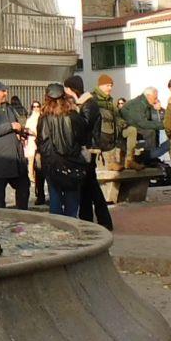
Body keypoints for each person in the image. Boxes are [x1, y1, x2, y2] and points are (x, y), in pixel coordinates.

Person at [65, 75, 112, 228]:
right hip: (84, 149)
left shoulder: (88, 104)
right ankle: (88, 220)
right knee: (86, 186)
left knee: (91, 186)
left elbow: (84, 124)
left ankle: (104, 221)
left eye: (67, 88)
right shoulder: (82, 103)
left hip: (89, 150)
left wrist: (72, 113)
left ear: (72, 89)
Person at [33, 83, 86, 217]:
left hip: (52, 162)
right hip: (72, 161)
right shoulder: (73, 115)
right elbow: (82, 136)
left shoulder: (44, 117)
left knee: (55, 197)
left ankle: (58, 228)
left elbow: (41, 140)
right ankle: (72, 225)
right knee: (72, 197)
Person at [121, 84, 163, 166]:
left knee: (154, 130)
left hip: (136, 126)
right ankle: (149, 158)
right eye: (155, 98)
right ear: (148, 96)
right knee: (150, 132)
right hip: (129, 128)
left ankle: (152, 156)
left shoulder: (146, 104)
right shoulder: (138, 104)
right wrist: (163, 125)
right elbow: (143, 123)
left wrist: (158, 110)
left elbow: (153, 120)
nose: (156, 100)